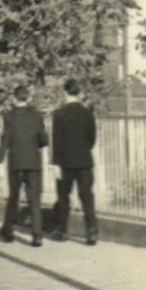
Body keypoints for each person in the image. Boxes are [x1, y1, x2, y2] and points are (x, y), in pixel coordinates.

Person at [0, 84, 49, 246]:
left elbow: (5, 140)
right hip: (33, 162)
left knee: (13, 197)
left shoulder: (8, 116)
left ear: (14, 98)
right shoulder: (37, 116)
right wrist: (45, 160)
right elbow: (43, 140)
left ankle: (8, 231)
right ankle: (37, 235)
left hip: (16, 162)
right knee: (34, 199)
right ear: (29, 98)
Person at [50, 78, 99, 245]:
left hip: (65, 163)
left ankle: (62, 231)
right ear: (78, 93)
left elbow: (56, 141)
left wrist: (55, 163)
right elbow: (92, 138)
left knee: (63, 198)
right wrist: (83, 150)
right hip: (85, 161)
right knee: (87, 197)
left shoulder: (59, 114)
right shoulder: (87, 113)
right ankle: (91, 232)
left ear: (64, 93)